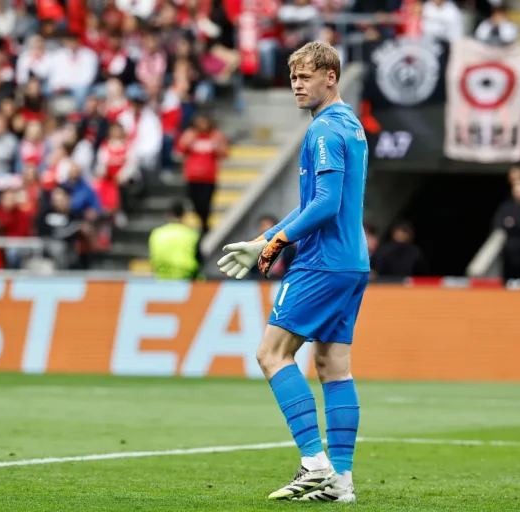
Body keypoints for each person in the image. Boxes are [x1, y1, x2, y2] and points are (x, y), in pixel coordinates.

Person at [216, 41, 368, 503]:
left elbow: (325, 205)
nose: (297, 86)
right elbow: (310, 205)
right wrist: (264, 241)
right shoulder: (351, 126)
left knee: (271, 354)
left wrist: (277, 242)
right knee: (331, 365)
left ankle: (314, 462)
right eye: (293, 78)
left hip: (322, 261)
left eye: (306, 77)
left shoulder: (323, 130)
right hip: (351, 261)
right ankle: (340, 481)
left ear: (331, 77)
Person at [148, 201, 201, 279]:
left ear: (168, 215)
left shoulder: (157, 233)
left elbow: (153, 257)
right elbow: (199, 257)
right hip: (186, 279)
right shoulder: (191, 234)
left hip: (162, 279)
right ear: (183, 215)